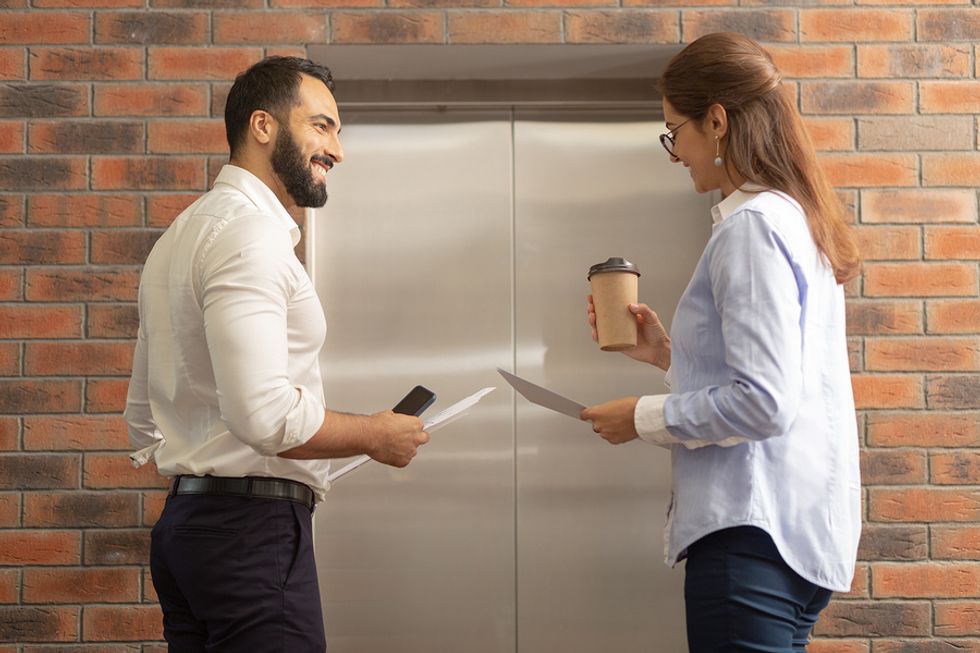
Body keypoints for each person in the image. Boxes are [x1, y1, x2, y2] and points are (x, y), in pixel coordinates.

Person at [124, 56, 430, 651]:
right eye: (321, 126)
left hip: (191, 532)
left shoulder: (180, 237)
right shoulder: (248, 236)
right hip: (249, 538)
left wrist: (203, 467)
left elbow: (142, 415)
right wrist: (372, 433)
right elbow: (263, 414)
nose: (337, 150)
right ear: (262, 127)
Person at [580, 32, 862, 652]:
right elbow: (780, 379)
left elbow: (764, 403)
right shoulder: (794, 221)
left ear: (717, 121)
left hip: (749, 539)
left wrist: (642, 416)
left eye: (674, 132)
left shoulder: (751, 228)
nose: (674, 152)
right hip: (790, 538)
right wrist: (667, 357)